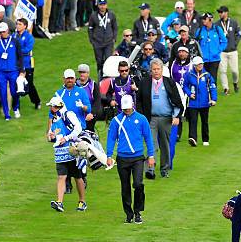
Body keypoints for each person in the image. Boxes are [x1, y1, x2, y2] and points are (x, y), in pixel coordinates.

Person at [106, 95, 155, 224]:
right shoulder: (116, 121)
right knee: (125, 187)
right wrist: (109, 156)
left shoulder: (141, 119)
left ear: (132, 105)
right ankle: (129, 214)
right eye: (125, 109)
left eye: (128, 108)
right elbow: (111, 138)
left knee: (138, 184)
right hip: (122, 158)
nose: (127, 111)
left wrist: (151, 155)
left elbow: (148, 138)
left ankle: (138, 212)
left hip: (138, 157)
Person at [136, 59, 183, 179]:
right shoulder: (144, 82)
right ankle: (150, 169)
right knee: (151, 144)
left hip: (166, 118)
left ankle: (164, 169)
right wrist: (141, 117)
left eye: (158, 69)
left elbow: (178, 100)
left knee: (165, 144)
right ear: (150, 71)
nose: (156, 71)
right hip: (150, 118)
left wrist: (177, 116)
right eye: (154, 69)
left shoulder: (169, 82)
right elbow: (139, 101)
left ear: (162, 70)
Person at [46, 96, 87, 213]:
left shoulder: (68, 114)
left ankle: (82, 201)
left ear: (58, 106)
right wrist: (51, 137)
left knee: (78, 177)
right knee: (61, 177)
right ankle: (59, 202)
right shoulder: (54, 119)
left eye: (52, 106)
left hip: (72, 152)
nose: (51, 109)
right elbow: (50, 136)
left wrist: (67, 138)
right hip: (60, 154)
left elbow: (78, 129)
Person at [0, 22, 24, 121]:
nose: (1, 34)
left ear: (7, 31)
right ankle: (6, 114)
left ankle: (15, 108)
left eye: (2, 32)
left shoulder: (15, 41)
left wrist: (22, 70)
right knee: (3, 93)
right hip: (1, 72)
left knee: (14, 92)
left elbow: (20, 57)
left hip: (13, 70)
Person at [183, 56, 217, 147]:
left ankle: (205, 139)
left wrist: (214, 99)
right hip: (193, 103)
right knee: (193, 121)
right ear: (194, 65)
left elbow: (212, 87)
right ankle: (193, 138)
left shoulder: (207, 75)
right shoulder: (189, 75)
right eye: (198, 64)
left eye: (201, 64)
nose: (200, 66)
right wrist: (190, 94)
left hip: (205, 102)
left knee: (204, 121)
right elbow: (185, 86)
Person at [88, 0, 118, 79]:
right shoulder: (93, 15)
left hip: (108, 42)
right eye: (101, 5)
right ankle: (100, 78)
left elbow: (115, 27)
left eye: (104, 4)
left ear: (106, 5)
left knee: (108, 60)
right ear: (98, 5)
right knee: (99, 61)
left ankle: (108, 79)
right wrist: (92, 41)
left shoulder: (111, 15)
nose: (102, 6)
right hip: (97, 43)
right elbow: (90, 29)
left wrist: (114, 38)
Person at [14, 18, 40, 110]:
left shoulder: (29, 37)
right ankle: (16, 106)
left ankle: (37, 101)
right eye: (17, 24)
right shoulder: (14, 36)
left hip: (27, 63)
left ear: (25, 26)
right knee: (16, 83)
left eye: (20, 24)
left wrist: (16, 51)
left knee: (29, 83)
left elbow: (27, 49)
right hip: (16, 64)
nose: (18, 26)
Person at [215, 6, 241, 95]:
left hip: (233, 51)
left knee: (235, 71)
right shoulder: (217, 24)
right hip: (222, 52)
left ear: (226, 13)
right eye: (219, 12)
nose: (220, 14)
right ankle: (226, 89)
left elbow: (239, 34)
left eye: (221, 12)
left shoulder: (234, 22)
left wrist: (235, 44)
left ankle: (235, 82)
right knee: (223, 71)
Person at [194, 12, 226, 83]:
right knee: (203, 79)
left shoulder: (217, 29)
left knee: (212, 79)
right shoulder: (200, 30)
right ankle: (204, 94)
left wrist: (218, 50)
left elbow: (224, 41)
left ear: (210, 19)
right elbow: (195, 43)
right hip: (203, 60)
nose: (203, 21)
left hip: (214, 59)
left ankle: (213, 94)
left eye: (205, 19)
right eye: (202, 19)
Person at [76, 64, 103, 132]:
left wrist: (92, 113)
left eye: (84, 72)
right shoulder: (74, 84)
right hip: (76, 115)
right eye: (80, 72)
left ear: (88, 73)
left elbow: (97, 101)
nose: (82, 74)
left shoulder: (93, 85)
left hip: (89, 116)